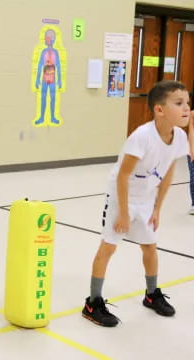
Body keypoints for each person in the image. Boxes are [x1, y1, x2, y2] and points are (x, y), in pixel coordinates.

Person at [82, 80, 190, 327]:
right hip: (122, 196)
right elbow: (122, 175)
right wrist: (122, 213)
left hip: (146, 198)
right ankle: (92, 303)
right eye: (179, 103)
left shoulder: (180, 136)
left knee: (150, 247)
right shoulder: (142, 137)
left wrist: (157, 208)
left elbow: (169, 171)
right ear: (159, 109)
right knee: (108, 247)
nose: (186, 108)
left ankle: (151, 295)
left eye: (187, 103)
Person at [187, 110, 194, 215]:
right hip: (192, 149)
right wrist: (192, 149)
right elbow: (191, 131)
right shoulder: (192, 114)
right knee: (193, 177)